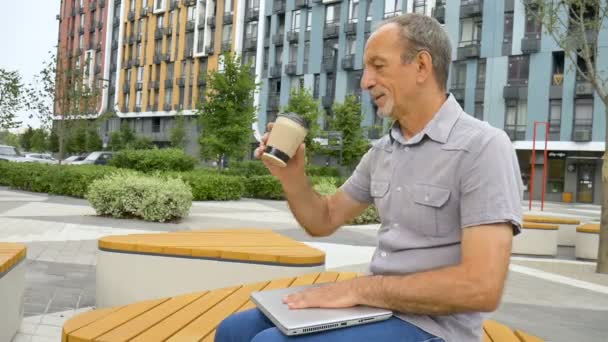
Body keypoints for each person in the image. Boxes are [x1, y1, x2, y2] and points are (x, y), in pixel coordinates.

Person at [215, 13, 523, 342]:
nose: (365, 82)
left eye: (378, 66)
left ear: (421, 66)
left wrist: (359, 289)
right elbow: (324, 219)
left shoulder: (483, 147)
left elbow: (481, 288)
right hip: (375, 309)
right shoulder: (382, 151)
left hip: (434, 329)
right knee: (233, 331)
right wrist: (293, 177)